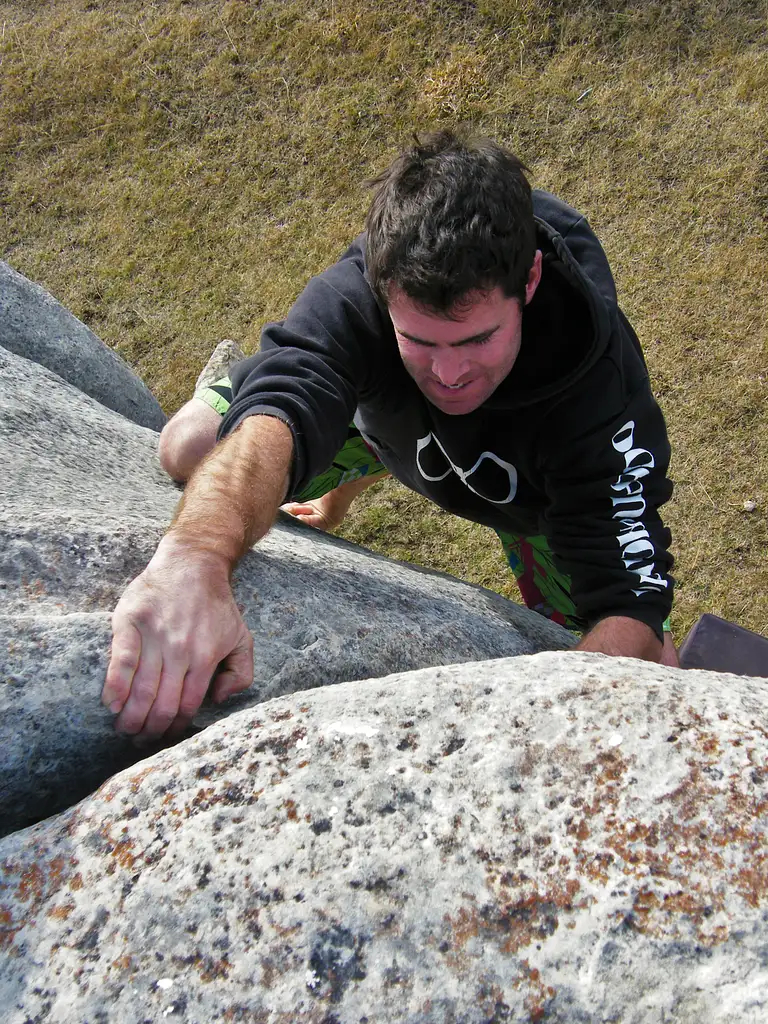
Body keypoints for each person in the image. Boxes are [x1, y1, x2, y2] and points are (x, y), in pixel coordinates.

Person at [102, 130, 677, 742]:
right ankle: (350, 451)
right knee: (189, 443)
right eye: (419, 342)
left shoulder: (598, 393)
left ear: (530, 280)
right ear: (381, 291)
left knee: (610, 640)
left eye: (477, 339)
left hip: (532, 503)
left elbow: (628, 599)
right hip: (380, 428)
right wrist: (195, 560)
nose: (449, 376)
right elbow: (288, 399)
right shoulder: (360, 290)